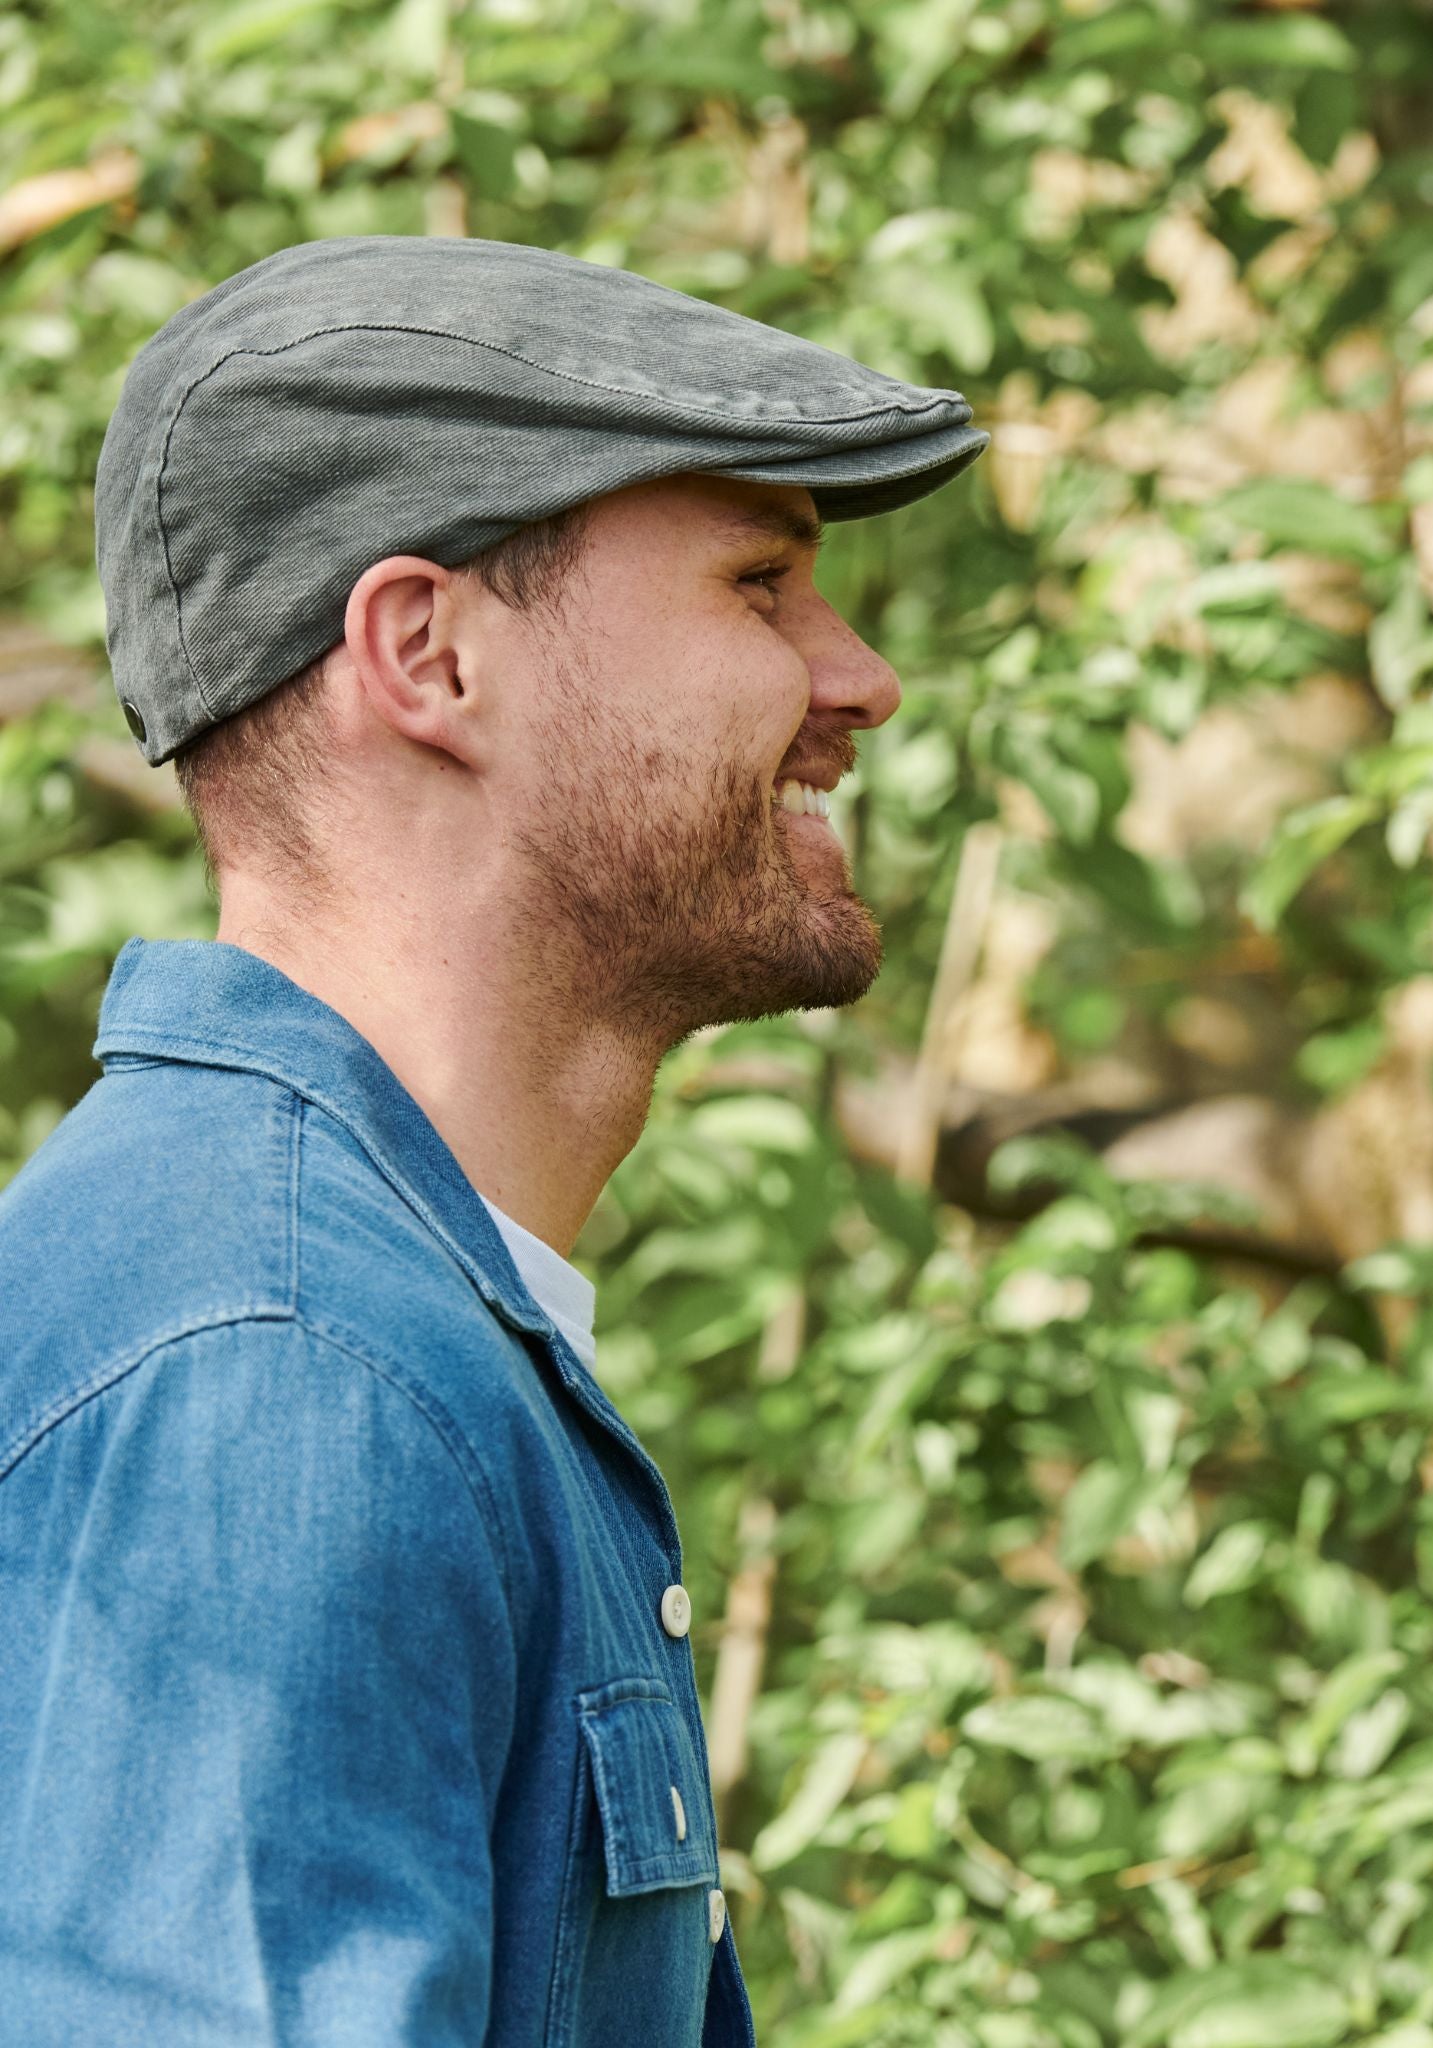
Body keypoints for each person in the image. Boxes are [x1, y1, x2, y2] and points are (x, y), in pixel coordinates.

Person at [0, 234, 987, 2045]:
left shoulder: (360, 1301)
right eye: (761, 584)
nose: (862, 678)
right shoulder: (284, 1363)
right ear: (429, 654)